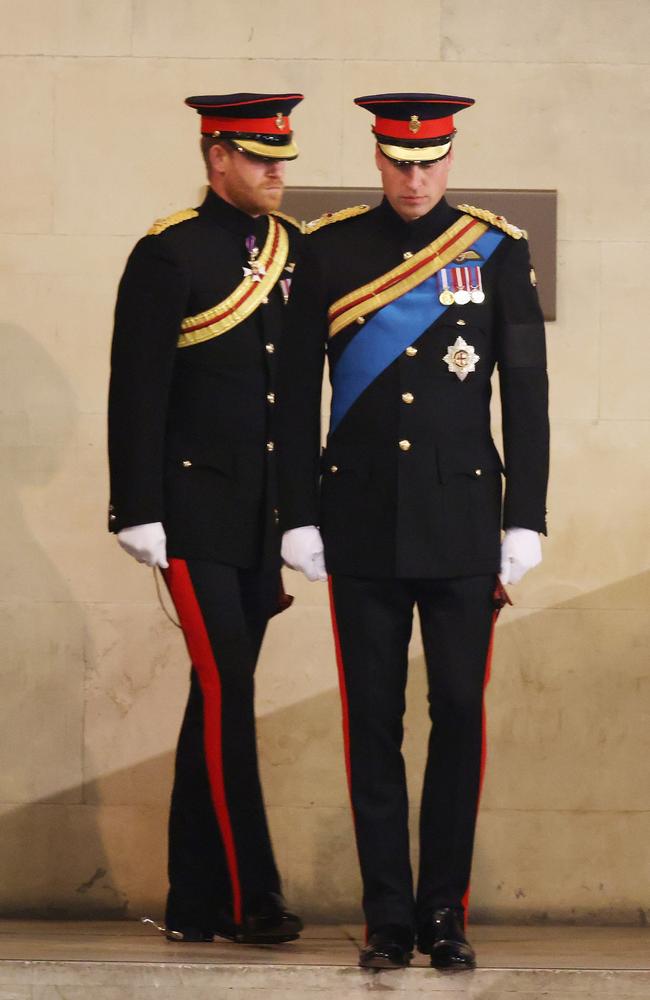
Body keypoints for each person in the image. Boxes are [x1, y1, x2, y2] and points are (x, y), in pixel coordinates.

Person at [278, 92, 549, 970]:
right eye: (398, 161)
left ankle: (445, 913)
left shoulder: (497, 250)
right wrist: (300, 513)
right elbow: (290, 399)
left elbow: (528, 397)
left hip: (465, 525)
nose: (414, 177)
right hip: (359, 521)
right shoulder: (328, 252)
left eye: (429, 161)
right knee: (373, 725)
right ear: (376, 158)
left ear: (451, 159)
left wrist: (526, 519)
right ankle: (389, 915)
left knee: (461, 718)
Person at [108, 92, 305, 944]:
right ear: (215, 155)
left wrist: (302, 513)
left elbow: (294, 396)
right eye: (259, 156)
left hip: (261, 521)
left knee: (213, 700)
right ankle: (252, 893)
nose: (276, 172)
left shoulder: (293, 251)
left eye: (282, 158)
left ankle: (195, 898)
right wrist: (136, 507)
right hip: (189, 513)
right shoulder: (168, 253)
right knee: (229, 691)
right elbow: (137, 387)